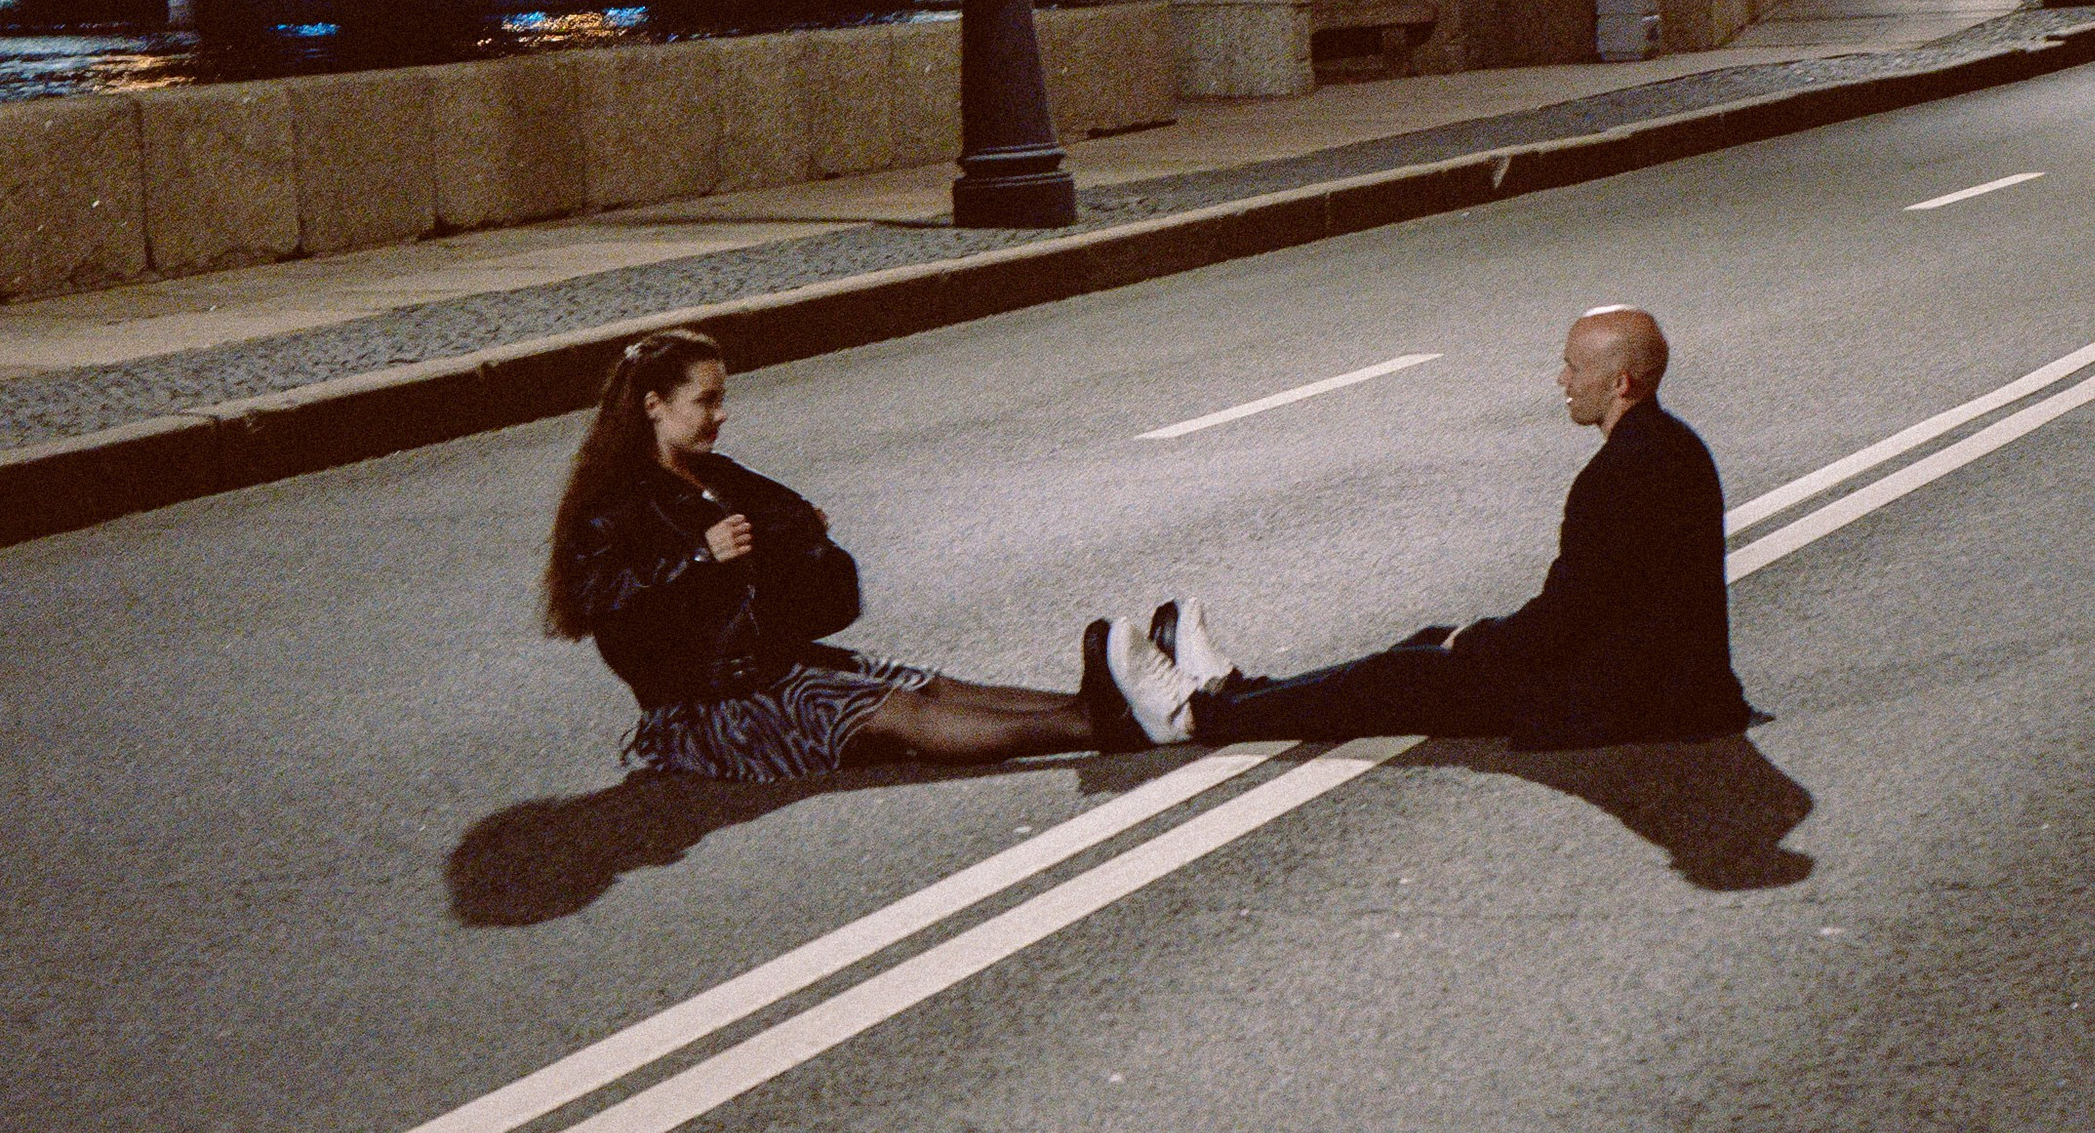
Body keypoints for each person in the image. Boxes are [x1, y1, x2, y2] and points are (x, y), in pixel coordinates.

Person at [1092, 305, 1756, 751]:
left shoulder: (1617, 477)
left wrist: (1480, 643)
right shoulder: (1678, 445)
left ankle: (1193, 715)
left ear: (1621, 381)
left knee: (1401, 679)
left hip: (1626, 702)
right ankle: (1237, 692)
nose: (1561, 379)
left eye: (1574, 369)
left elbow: (1564, 621)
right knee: (1423, 649)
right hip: (1670, 684)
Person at [544, 329, 1103, 778]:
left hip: (766, 660)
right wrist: (698, 557)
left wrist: (798, 532)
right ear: (653, 405)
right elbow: (601, 606)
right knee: (902, 714)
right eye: (705, 400)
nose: (721, 414)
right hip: (705, 707)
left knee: (928, 684)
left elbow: (786, 519)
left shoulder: (712, 475)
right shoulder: (611, 504)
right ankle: (1097, 725)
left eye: (722, 398)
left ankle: (1096, 702)